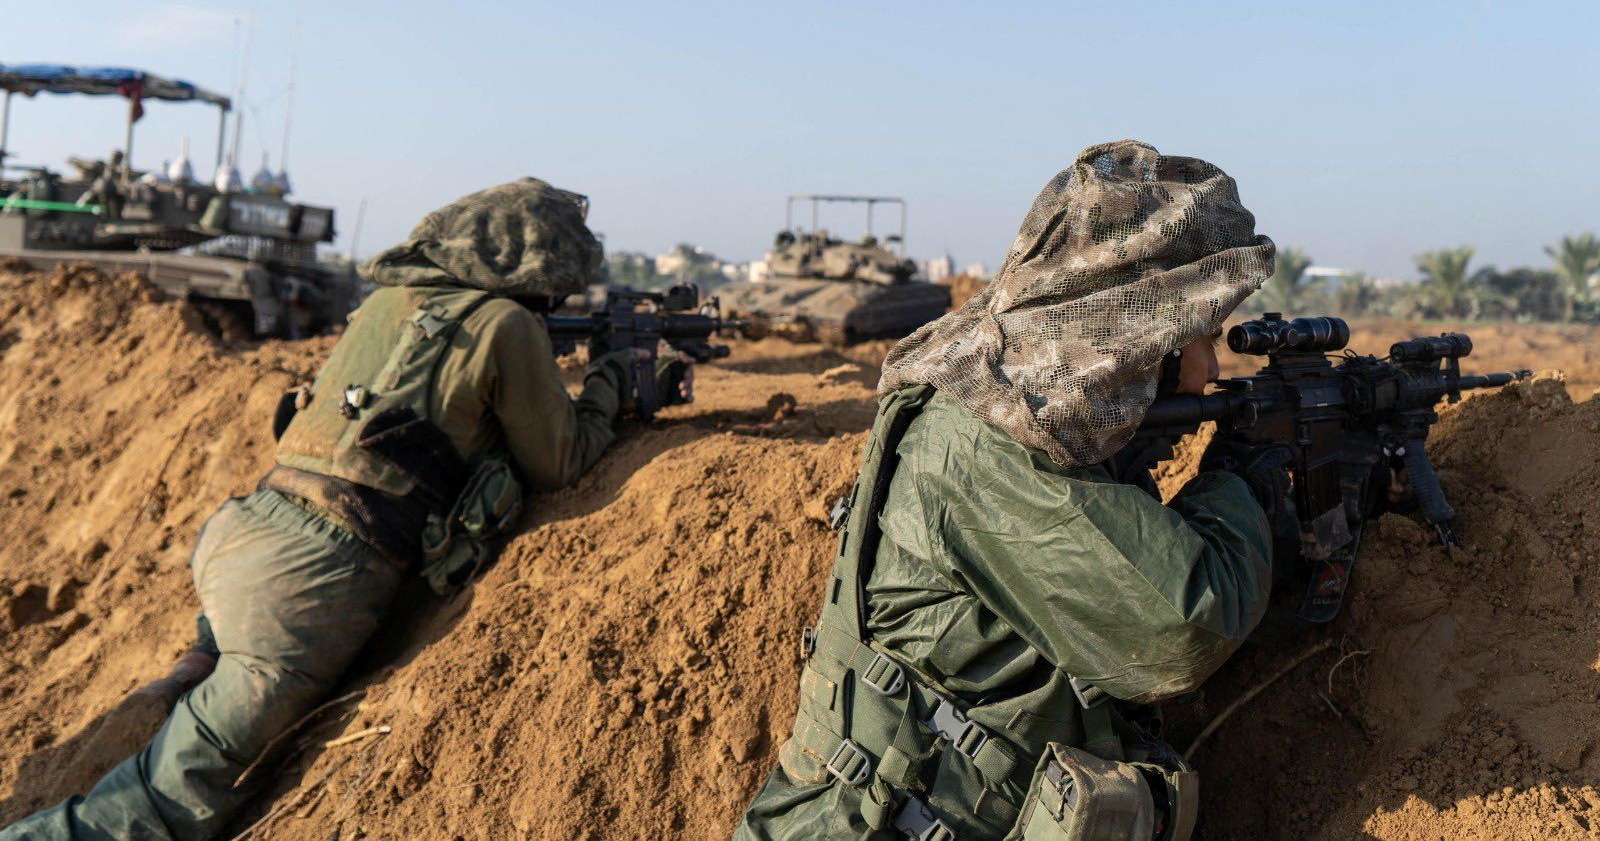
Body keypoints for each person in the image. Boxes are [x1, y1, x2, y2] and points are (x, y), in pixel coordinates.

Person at [2, 178, 673, 840]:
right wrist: (610, 381)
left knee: (236, 663)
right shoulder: (507, 325)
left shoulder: (383, 309)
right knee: (159, 809)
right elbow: (561, 462)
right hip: (311, 584)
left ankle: (200, 663)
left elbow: (352, 401)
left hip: (243, 532)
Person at [737, 141, 1282, 841]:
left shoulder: (1024, 406)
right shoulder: (990, 444)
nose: (1208, 369)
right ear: (1139, 334)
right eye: (1200, 336)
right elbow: (1183, 631)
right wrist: (1242, 479)